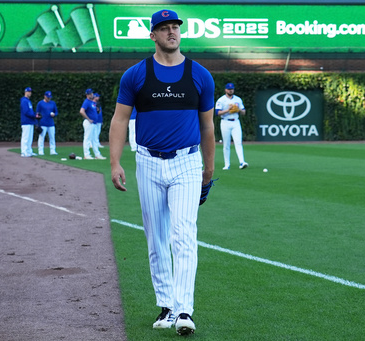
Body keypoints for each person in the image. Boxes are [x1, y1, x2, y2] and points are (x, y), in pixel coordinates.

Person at [108, 9, 215, 336]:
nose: (172, 32)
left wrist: (208, 171)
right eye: (164, 28)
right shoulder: (135, 75)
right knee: (156, 239)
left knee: (184, 234)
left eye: (175, 28)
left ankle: (185, 310)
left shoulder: (200, 75)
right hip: (148, 163)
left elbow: (208, 127)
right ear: (152, 35)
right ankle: (167, 306)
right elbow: (119, 120)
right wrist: (114, 162)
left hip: (186, 163)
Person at [215, 82, 249, 170]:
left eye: (232, 89)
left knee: (238, 142)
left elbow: (244, 112)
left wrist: (238, 110)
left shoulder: (238, 99)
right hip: (225, 122)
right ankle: (227, 165)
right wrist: (228, 110)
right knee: (226, 144)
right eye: (229, 89)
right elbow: (217, 113)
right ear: (225, 90)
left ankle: (242, 162)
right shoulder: (221, 100)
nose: (231, 90)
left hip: (235, 122)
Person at [79, 89, 106, 160]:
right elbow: (82, 111)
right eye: (90, 94)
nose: (92, 95)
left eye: (92, 93)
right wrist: (88, 118)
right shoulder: (87, 102)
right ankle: (86, 155)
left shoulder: (92, 102)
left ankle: (97, 154)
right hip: (89, 123)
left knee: (94, 139)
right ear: (87, 95)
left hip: (94, 123)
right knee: (87, 138)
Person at [36, 91, 59, 155]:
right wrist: (37, 123)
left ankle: (53, 150)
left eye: (50, 97)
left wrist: (54, 114)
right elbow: (37, 113)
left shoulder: (53, 103)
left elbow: (56, 112)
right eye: (47, 97)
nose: (49, 98)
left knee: (52, 137)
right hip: (43, 123)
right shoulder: (40, 103)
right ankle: (40, 151)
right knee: (41, 137)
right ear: (44, 96)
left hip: (51, 123)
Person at [20, 87, 38, 157]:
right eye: (28, 92)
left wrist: (35, 115)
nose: (30, 93)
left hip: (30, 121)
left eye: (30, 92)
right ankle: (24, 152)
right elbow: (26, 112)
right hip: (26, 121)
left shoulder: (28, 101)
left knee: (30, 138)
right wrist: (34, 115)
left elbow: (29, 111)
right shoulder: (24, 101)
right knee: (25, 137)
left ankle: (29, 151)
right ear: (25, 92)